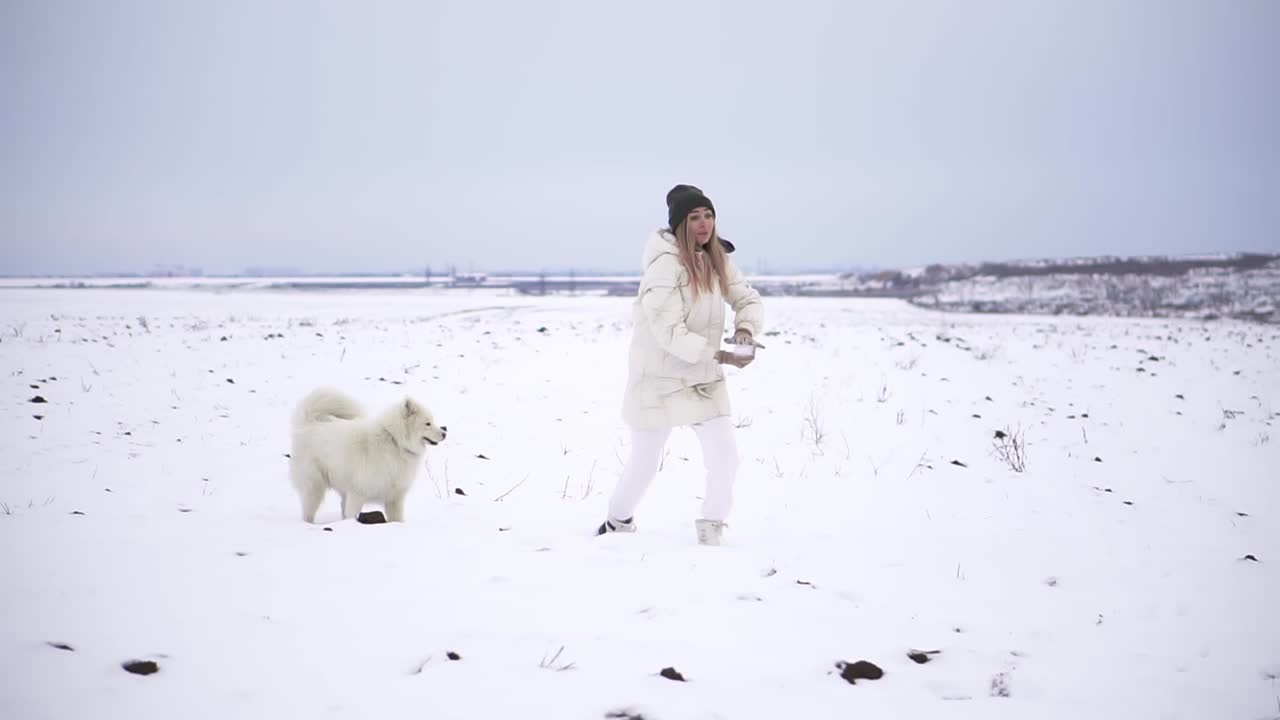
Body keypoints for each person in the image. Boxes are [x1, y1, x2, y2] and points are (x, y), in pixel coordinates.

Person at [597, 184, 764, 545]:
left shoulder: (719, 260)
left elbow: (747, 298)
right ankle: (616, 522)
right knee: (645, 461)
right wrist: (721, 355)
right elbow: (668, 332)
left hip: (703, 379)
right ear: (678, 225)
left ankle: (711, 530)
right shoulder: (664, 267)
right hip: (659, 380)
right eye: (693, 217)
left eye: (708, 215)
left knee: (726, 458)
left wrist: (746, 331)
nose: (704, 224)